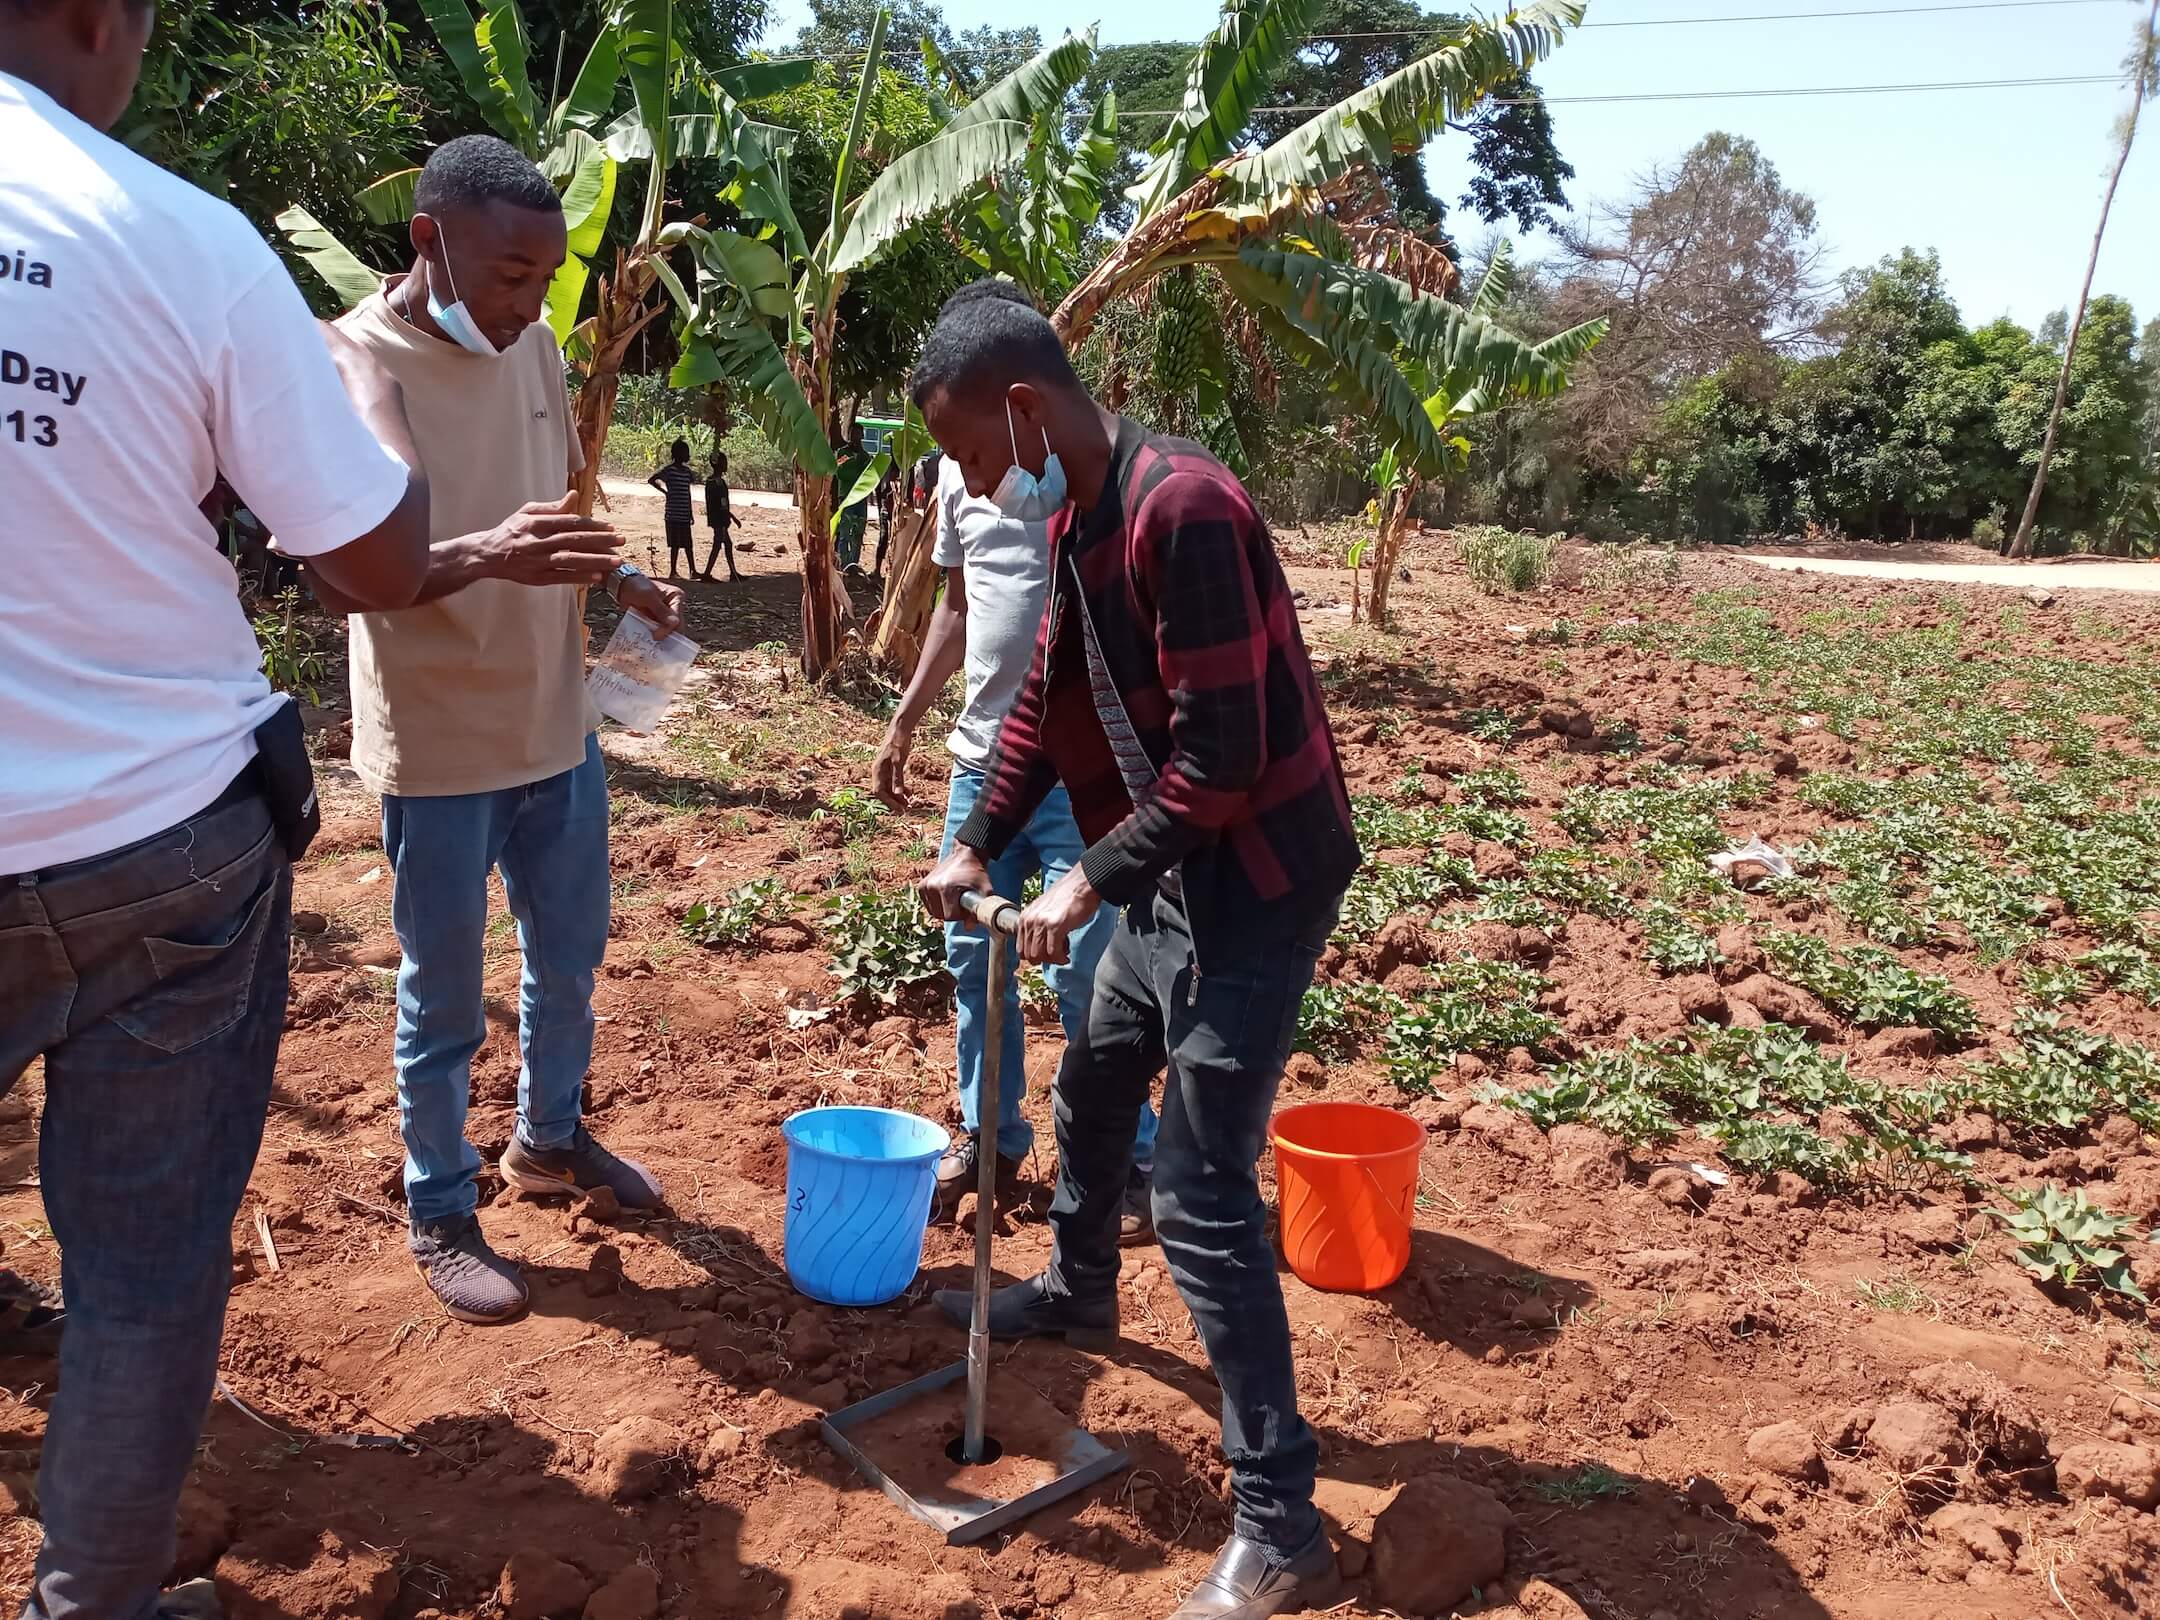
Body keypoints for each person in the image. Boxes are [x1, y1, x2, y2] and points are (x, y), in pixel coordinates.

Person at [2, 2, 433, 1614]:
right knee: (138, 1273)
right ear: (97, 18)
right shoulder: (176, 237)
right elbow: (372, 562)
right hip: (154, 847)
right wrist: (366, 396)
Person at [913, 287, 1359, 1620]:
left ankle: (1282, 1520)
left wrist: (1083, 880)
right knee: (1098, 1078)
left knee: (1207, 1187)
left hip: (1257, 883)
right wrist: (979, 843)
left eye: (980, 459)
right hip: (1172, 871)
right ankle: (1080, 1285)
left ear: (1024, 411)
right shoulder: (1079, 518)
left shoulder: (1188, 510)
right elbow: (1047, 698)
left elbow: (1222, 757)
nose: (981, 489)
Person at [307, 134, 684, 1327]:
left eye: (544, 278)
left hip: (552, 724)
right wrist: (487, 557)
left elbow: (553, 508)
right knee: (445, 992)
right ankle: (439, 1201)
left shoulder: (536, 349)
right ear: (431, 242)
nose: (531, 304)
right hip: (440, 741)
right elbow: (345, 575)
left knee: (570, 959)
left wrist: (617, 577)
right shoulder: (356, 363)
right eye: (512, 276)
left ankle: (550, 1139)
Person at [875, 282, 1157, 1235]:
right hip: (986, 757)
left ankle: (1132, 1154)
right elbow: (957, 608)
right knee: (973, 960)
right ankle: (988, 1136)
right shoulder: (963, 468)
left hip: (1073, 767)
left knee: (1088, 968)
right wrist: (908, 717)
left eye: (981, 450)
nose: (982, 475)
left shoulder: (1084, 477)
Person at [648, 435, 698, 579]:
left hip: (683, 513)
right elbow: (652, 479)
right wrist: (665, 492)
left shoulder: (687, 472)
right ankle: (673, 571)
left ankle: (692, 570)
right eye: (685, 452)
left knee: (688, 544)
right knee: (675, 544)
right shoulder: (669, 470)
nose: (688, 455)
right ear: (678, 454)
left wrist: (690, 513)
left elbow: (687, 493)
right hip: (673, 514)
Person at [833, 423, 871, 573]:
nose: (856, 437)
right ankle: (843, 563)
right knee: (844, 532)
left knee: (858, 532)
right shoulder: (843, 453)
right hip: (847, 497)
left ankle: (853, 564)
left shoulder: (865, 457)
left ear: (862, 436)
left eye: (858, 434)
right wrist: (855, 468)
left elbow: (868, 477)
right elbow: (840, 472)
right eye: (853, 433)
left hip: (861, 499)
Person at [702, 447, 740, 582]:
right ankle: (707, 574)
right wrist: (729, 517)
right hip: (719, 518)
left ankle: (733, 572)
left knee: (727, 544)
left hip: (718, 517)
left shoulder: (712, 481)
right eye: (724, 462)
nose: (726, 465)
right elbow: (721, 503)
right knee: (718, 544)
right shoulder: (716, 483)